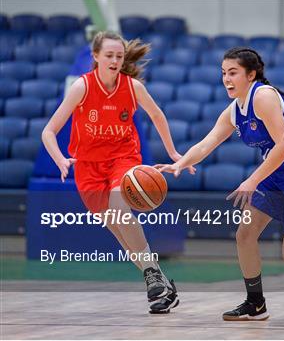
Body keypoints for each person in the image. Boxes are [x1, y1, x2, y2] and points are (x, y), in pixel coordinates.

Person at [157, 47, 284, 321]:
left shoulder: (264, 97)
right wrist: (179, 163)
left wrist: (251, 179)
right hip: (272, 174)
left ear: (251, 74)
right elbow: (207, 143)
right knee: (244, 234)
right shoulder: (236, 109)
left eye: (233, 72)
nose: (226, 79)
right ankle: (255, 303)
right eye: (223, 73)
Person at [42, 31, 191, 314]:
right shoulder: (81, 87)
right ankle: (159, 280)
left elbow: (158, 115)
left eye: (119, 56)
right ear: (95, 56)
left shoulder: (132, 87)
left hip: (123, 158)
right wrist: (60, 159)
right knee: (120, 233)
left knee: (121, 209)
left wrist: (173, 153)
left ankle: (152, 277)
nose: (115, 60)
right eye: (109, 55)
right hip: (88, 167)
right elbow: (48, 131)